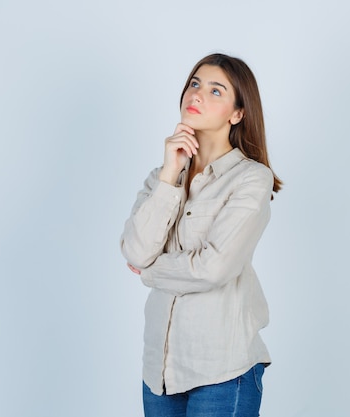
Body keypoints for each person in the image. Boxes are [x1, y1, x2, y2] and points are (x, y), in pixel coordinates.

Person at [120, 53, 282, 417]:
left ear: (237, 113)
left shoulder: (251, 178)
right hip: (159, 373)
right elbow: (135, 249)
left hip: (222, 371)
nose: (197, 95)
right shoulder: (160, 175)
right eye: (194, 84)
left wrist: (149, 272)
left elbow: (213, 268)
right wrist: (169, 175)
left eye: (215, 90)